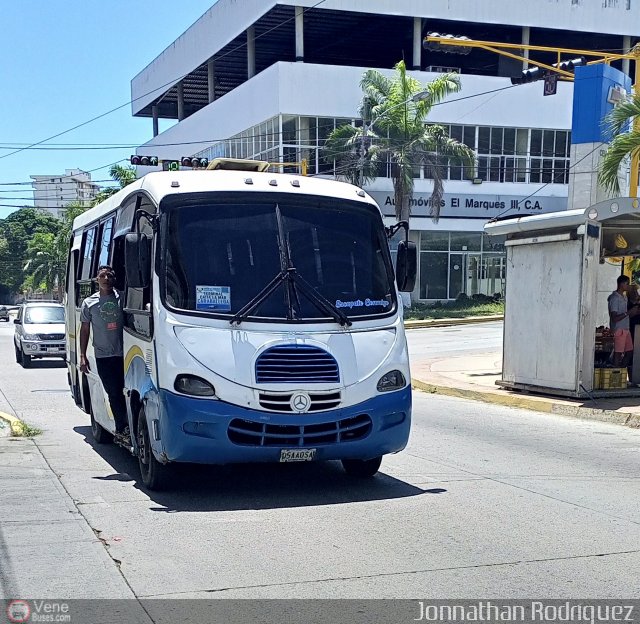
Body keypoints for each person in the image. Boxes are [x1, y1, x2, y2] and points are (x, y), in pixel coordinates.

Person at [79, 265, 129, 443]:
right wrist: (83, 356)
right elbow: (84, 330)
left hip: (124, 355)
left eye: (109, 275)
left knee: (125, 391)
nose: (106, 278)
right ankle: (121, 428)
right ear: (96, 280)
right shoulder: (89, 303)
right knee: (113, 392)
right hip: (103, 357)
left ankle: (126, 425)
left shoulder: (122, 298)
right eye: (103, 276)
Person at [608, 274, 640, 379]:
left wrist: (632, 313)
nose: (628, 286)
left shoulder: (625, 297)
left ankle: (620, 373)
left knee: (629, 352)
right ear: (621, 284)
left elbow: (626, 314)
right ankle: (615, 377)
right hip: (619, 329)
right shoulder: (614, 298)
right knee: (618, 353)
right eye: (627, 284)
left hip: (626, 329)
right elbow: (614, 317)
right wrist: (628, 313)